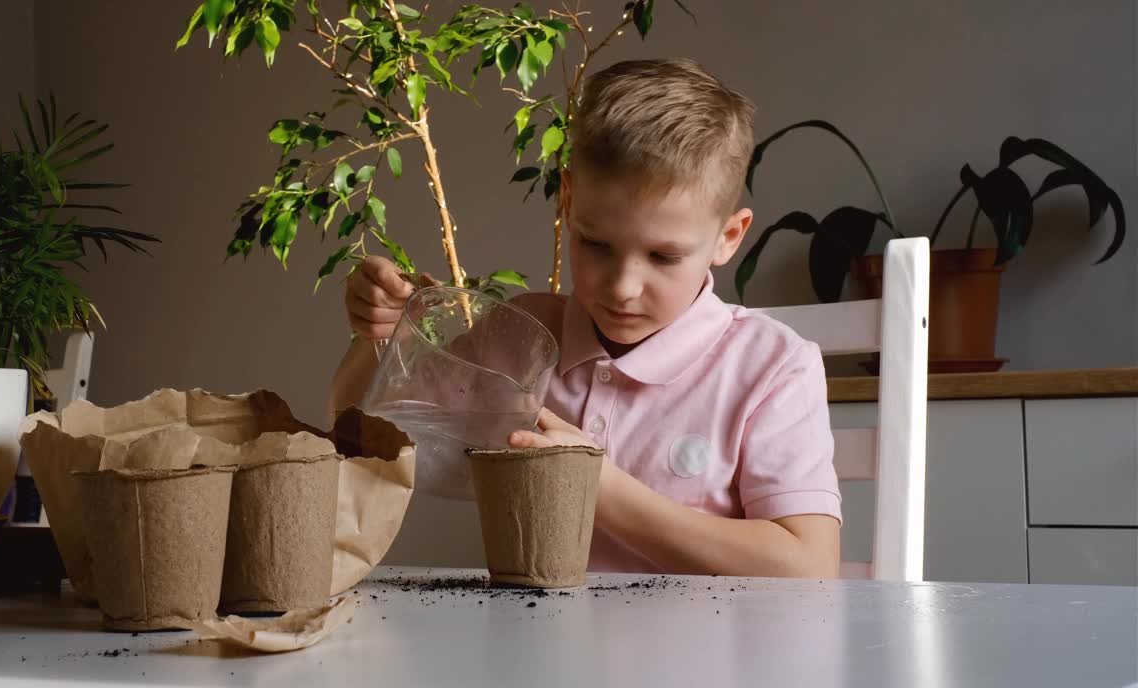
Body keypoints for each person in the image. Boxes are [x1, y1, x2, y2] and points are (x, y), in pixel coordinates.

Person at [329, 58, 841, 578]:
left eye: (663, 257)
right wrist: (376, 336)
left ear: (728, 237)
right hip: (533, 645)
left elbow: (810, 566)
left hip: (705, 654)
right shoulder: (518, 340)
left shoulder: (773, 366)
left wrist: (598, 486)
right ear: (568, 202)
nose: (622, 287)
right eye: (596, 244)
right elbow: (361, 439)